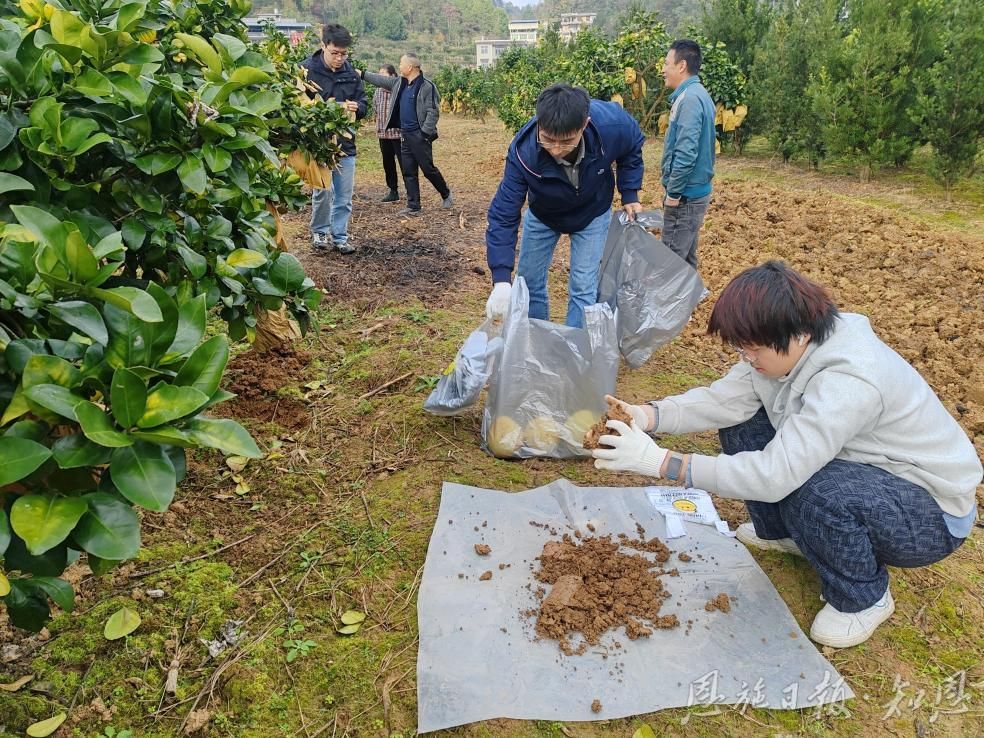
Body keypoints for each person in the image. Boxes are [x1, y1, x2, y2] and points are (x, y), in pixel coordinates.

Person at [590, 261, 981, 648]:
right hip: (866, 469)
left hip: (929, 514)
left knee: (818, 492)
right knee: (744, 423)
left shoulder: (849, 379)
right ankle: (784, 533)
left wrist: (662, 463)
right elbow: (724, 401)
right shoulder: (781, 347)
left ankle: (863, 598)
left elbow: (774, 475)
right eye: (741, 349)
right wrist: (646, 415)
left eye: (754, 350)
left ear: (799, 334)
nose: (747, 359)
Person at [484, 84, 645, 329]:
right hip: (544, 214)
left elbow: (632, 144)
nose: (556, 150)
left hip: (592, 211)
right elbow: (504, 213)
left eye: (567, 141)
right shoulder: (523, 152)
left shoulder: (611, 126)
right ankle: (536, 339)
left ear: (585, 125)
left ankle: (574, 346)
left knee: (583, 287)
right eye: (548, 140)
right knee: (528, 283)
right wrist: (501, 280)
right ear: (539, 124)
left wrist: (630, 192)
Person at [301, 23, 367, 255]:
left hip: (345, 144)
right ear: (323, 46)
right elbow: (298, 105)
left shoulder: (351, 73)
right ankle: (320, 232)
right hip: (320, 144)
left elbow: (363, 102)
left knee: (344, 196)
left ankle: (340, 236)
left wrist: (358, 107)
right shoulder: (306, 71)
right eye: (335, 53)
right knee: (323, 192)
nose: (339, 59)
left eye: (344, 54)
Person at [360, 54, 452, 216]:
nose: (399, 66)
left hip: (419, 135)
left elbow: (433, 112)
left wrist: (424, 133)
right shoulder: (399, 83)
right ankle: (413, 205)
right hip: (405, 134)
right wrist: (361, 73)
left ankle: (445, 193)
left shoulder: (427, 86)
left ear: (410, 67)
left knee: (428, 169)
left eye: (401, 63)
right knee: (408, 171)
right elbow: (379, 80)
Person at [660, 39, 716, 269]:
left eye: (666, 63)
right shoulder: (698, 94)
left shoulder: (690, 99)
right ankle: (690, 293)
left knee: (669, 262)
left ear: (681, 66)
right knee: (686, 260)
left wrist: (673, 194)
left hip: (685, 196)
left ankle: (671, 297)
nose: (663, 69)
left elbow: (686, 152)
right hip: (694, 193)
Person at [373, 64, 404, 203]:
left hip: (398, 134)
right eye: (379, 75)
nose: (380, 78)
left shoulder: (399, 90)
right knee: (388, 163)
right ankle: (393, 190)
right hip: (383, 134)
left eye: (384, 75)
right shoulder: (377, 91)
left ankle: (412, 191)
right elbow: (375, 109)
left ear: (393, 76)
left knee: (405, 163)